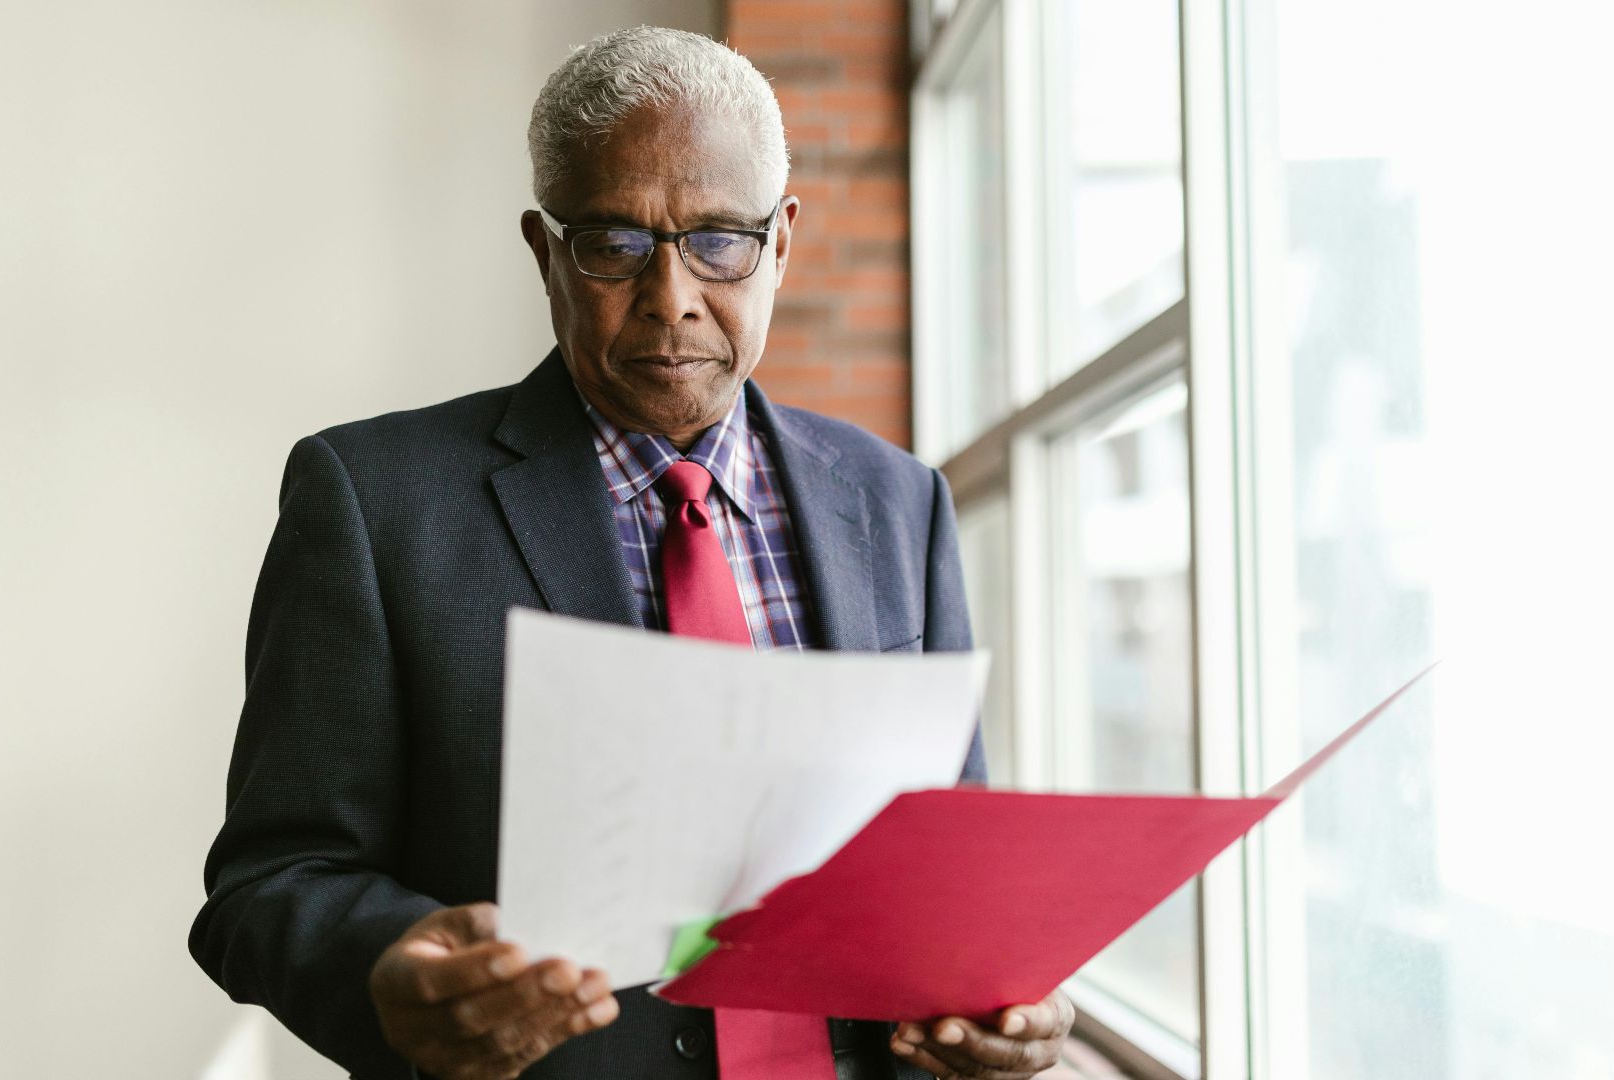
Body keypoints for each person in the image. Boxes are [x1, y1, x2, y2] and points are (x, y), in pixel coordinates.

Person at [188, 26, 1073, 1080]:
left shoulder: (898, 502)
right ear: (544, 251)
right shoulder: (375, 505)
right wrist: (389, 973)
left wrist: (1001, 997)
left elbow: (950, 864)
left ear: (782, 242)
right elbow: (272, 879)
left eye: (720, 241)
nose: (673, 298)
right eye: (613, 244)